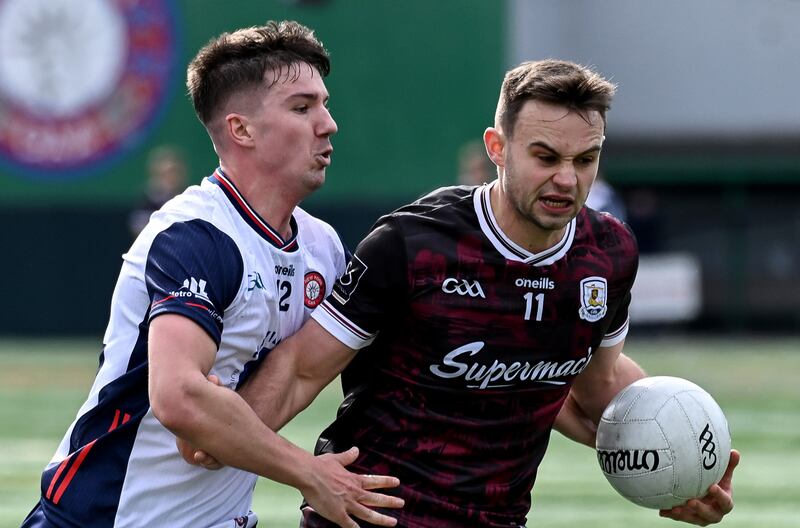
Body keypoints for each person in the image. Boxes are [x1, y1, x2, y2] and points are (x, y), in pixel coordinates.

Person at [187, 60, 739, 526]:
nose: (567, 180)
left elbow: (594, 394)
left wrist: (683, 467)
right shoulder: (412, 244)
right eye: (545, 157)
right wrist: (222, 432)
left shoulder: (609, 255)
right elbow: (301, 371)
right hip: (372, 518)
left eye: (585, 159)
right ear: (497, 148)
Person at [21, 20, 402, 528]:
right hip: (107, 518)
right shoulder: (195, 235)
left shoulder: (323, 248)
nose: (328, 123)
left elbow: (303, 370)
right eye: (302, 107)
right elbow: (179, 397)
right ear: (241, 129)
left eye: (324, 104)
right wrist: (310, 473)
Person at [128, 145, 189, 237]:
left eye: (176, 172)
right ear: (157, 173)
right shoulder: (147, 200)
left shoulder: (188, 196)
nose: (172, 177)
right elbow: (139, 228)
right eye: (168, 172)